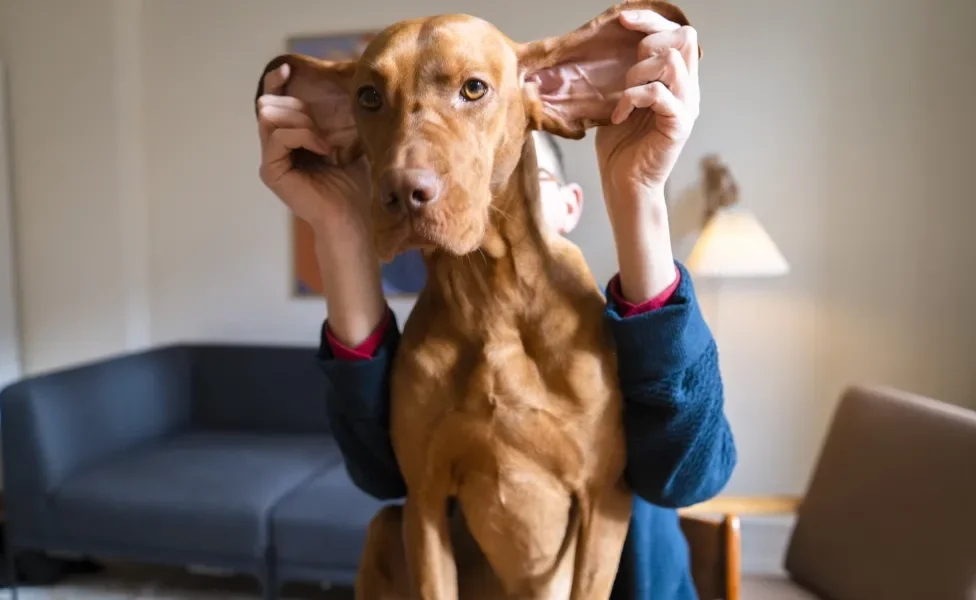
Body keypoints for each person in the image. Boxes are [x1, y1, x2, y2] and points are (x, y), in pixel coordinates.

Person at [256, 9, 736, 599]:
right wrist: (336, 224)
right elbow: (383, 477)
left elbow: (694, 475)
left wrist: (638, 193)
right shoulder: (432, 340)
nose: (416, 169)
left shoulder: (606, 327)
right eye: (375, 101)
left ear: (570, 203)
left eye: (473, 90)